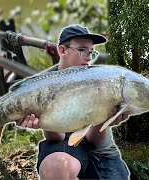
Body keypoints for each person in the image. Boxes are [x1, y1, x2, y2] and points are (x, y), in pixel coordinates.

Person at [16, 25, 131, 179]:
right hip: (63, 145)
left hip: (101, 150)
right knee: (57, 167)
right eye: (82, 50)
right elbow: (58, 137)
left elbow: (94, 140)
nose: (89, 57)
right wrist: (41, 121)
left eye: (91, 52)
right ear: (63, 51)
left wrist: (105, 119)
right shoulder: (44, 84)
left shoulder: (98, 78)